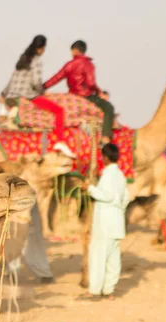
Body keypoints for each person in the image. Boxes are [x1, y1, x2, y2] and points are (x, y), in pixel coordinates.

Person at [43, 40, 115, 143]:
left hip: (73, 95)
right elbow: (91, 83)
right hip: (87, 96)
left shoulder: (69, 65)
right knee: (109, 108)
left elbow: (56, 78)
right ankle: (105, 138)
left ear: (75, 50)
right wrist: (99, 92)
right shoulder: (88, 64)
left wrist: (42, 87)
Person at [82, 144, 129, 299]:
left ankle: (94, 290)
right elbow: (125, 199)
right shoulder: (121, 176)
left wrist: (90, 189)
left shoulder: (108, 175)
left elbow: (107, 196)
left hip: (105, 222)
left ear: (106, 158)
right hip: (116, 221)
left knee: (98, 255)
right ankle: (109, 290)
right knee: (113, 258)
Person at [0, 35, 65, 141]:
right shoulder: (37, 60)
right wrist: (42, 92)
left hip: (12, 96)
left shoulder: (23, 58)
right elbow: (36, 82)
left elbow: (12, 79)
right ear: (41, 48)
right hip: (28, 96)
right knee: (59, 111)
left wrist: (3, 93)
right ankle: (60, 141)